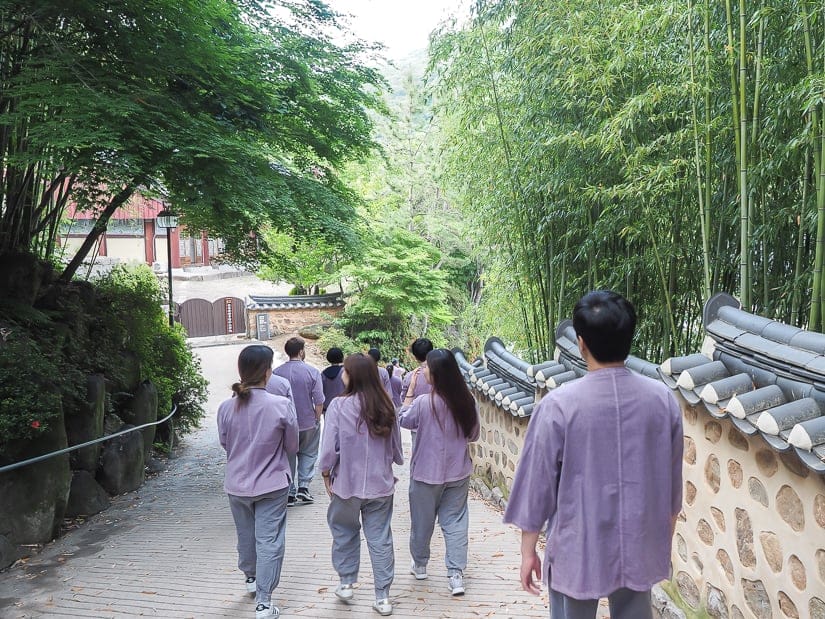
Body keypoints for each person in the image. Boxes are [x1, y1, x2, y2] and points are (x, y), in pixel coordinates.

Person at [503, 290, 683, 619]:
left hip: (578, 540)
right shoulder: (662, 400)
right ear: (629, 338)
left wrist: (528, 551)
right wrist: (661, 539)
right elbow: (670, 486)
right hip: (637, 537)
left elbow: (537, 487)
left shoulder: (558, 405)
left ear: (581, 343)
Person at [217, 345, 299, 619]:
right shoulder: (281, 405)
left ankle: (250, 578)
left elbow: (226, 444)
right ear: (267, 372)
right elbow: (292, 445)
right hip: (272, 484)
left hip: (237, 483)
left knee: (245, 535)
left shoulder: (226, 407)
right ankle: (264, 602)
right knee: (270, 541)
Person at [319, 353, 404, 617]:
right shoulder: (386, 405)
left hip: (347, 483)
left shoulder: (339, 406)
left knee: (344, 531)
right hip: (380, 484)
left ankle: (346, 583)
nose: (343, 374)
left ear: (351, 375)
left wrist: (324, 472)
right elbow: (397, 449)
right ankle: (383, 597)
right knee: (380, 539)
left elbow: (328, 448)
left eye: (345, 370)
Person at [399, 348, 479, 597]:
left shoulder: (424, 403)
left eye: (426, 369)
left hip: (425, 473)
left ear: (435, 375)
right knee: (455, 522)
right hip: (458, 472)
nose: (422, 370)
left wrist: (410, 391)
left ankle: (420, 565)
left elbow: (403, 420)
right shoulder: (467, 401)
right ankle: (455, 575)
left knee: (422, 523)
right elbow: (473, 435)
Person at [272, 336, 325, 506]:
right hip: (307, 420)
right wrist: (317, 418)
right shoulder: (312, 371)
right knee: (308, 452)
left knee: (288, 455)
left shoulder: (277, 373)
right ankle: (304, 487)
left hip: (285, 423)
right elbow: (318, 400)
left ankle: (289, 490)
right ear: (301, 351)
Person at [321, 347, 346, 413]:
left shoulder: (323, 373)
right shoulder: (345, 372)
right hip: (342, 407)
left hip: (327, 408)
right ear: (342, 358)